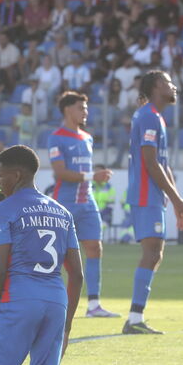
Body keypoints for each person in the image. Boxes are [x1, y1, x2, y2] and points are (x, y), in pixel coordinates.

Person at [0, 145, 96, 365]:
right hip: (56, 303)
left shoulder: (4, 209)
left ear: (17, 175)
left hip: (20, 301)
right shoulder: (62, 213)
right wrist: (67, 325)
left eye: (0, 175)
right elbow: (76, 274)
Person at [125, 70, 183, 334]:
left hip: (152, 194)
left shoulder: (155, 117)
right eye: (167, 82)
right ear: (154, 87)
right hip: (145, 193)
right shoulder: (149, 116)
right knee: (152, 253)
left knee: (155, 253)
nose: (174, 86)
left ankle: (135, 317)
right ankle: (133, 319)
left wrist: (175, 200)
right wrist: (175, 199)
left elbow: (163, 164)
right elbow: (151, 163)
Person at [48, 92, 119, 318]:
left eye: (86, 108)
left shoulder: (87, 138)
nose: (85, 112)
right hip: (64, 203)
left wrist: (92, 179)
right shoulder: (56, 137)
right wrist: (92, 177)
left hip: (87, 202)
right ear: (68, 110)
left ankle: (94, 304)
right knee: (57, 254)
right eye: (81, 107)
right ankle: (49, 300)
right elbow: (60, 173)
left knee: (95, 248)